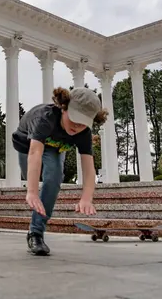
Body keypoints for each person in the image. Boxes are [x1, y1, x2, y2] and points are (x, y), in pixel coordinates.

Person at [12, 87, 109, 256]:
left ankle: (36, 233)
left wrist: (86, 198)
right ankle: (34, 196)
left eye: (83, 123)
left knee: (54, 178)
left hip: (55, 147)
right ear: (64, 107)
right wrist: (32, 191)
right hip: (27, 144)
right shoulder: (44, 118)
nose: (77, 126)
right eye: (74, 119)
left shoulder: (83, 132)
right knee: (32, 180)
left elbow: (88, 167)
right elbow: (35, 152)